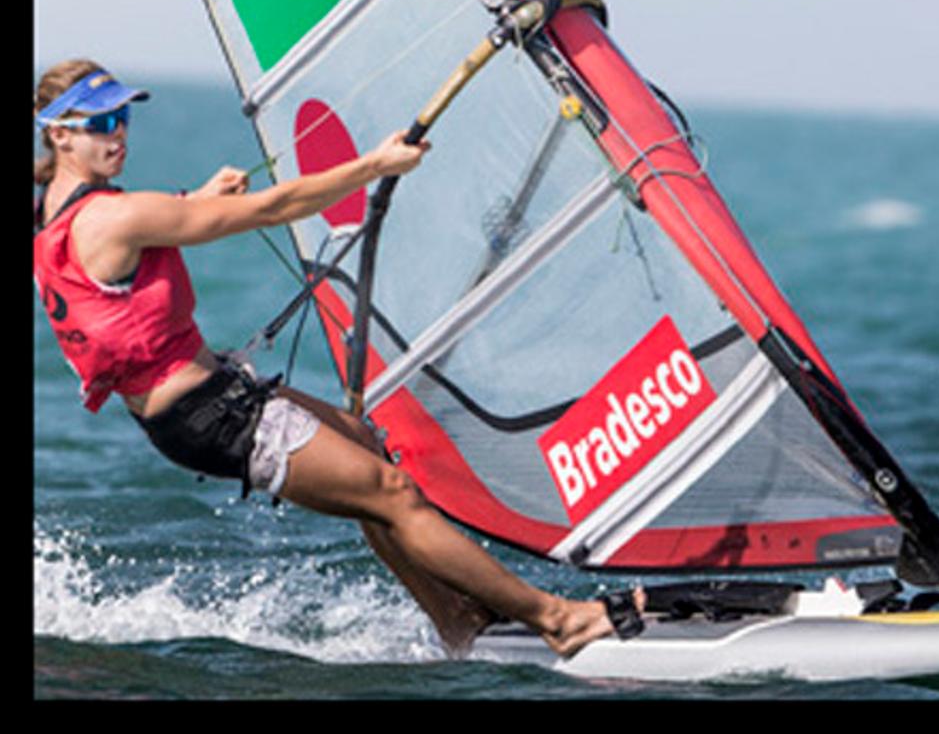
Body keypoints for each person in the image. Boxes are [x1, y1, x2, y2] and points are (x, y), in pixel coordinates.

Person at [32, 60, 644, 657]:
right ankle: (558, 619)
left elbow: (128, 252)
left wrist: (197, 199)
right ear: (60, 133)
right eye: (101, 121)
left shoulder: (52, 218)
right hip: (210, 415)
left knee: (363, 445)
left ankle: (455, 619)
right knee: (393, 492)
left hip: (199, 404)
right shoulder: (114, 215)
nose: (118, 133)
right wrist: (375, 164)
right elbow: (272, 209)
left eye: (122, 118)